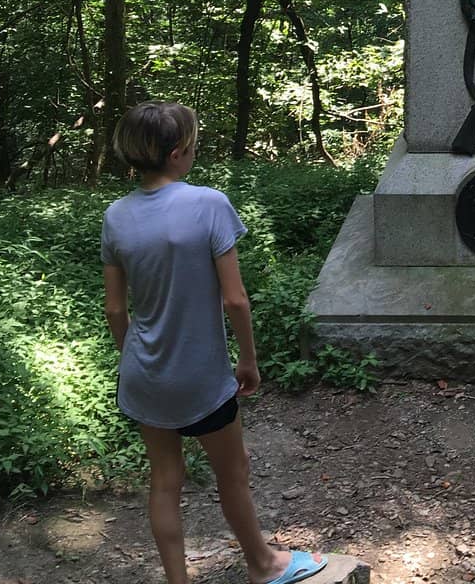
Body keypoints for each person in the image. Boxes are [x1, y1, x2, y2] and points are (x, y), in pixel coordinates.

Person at [101, 101, 328, 584]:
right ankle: (263, 565)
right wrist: (248, 360)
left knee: (164, 481)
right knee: (233, 469)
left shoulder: (116, 216)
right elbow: (236, 300)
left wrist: (133, 358)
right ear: (180, 152)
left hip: (143, 373)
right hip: (200, 374)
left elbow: (116, 310)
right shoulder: (208, 203)